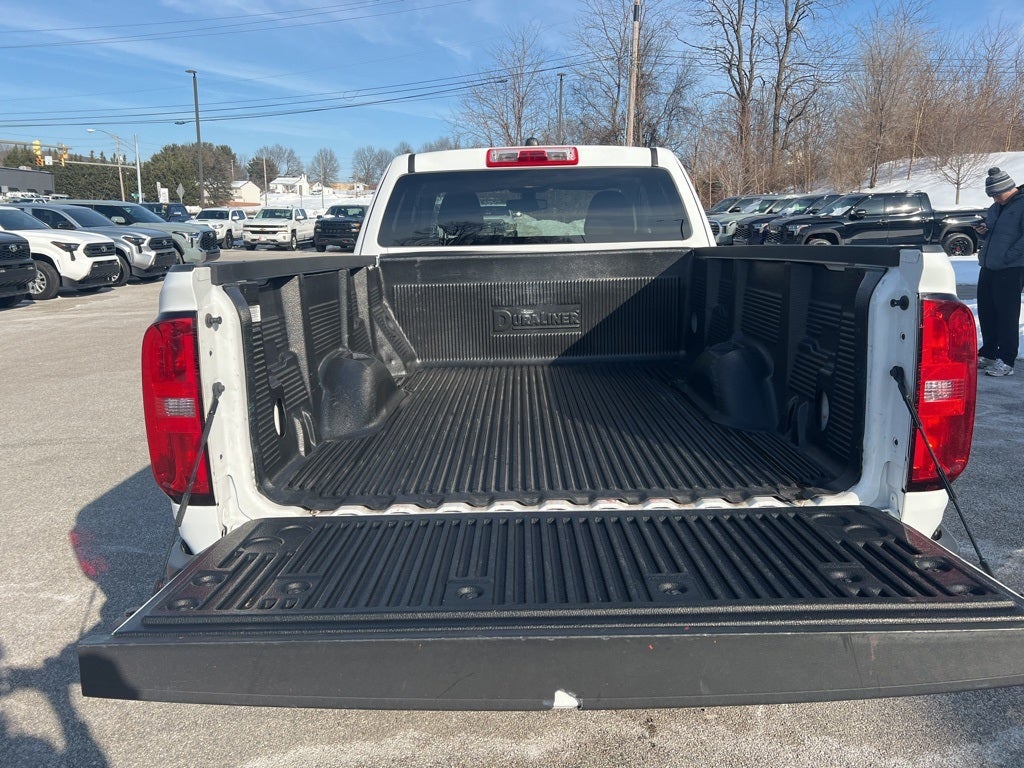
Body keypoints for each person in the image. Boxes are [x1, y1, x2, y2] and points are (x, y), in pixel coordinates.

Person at [975, 167, 1024, 377]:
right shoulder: (996, 208)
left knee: (1006, 314)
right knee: (987, 312)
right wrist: (983, 233)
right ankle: (989, 353)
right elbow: (995, 235)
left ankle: (1006, 359)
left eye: (996, 194)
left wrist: (1008, 256)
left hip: (1011, 268)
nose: (994, 198)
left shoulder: (1021, 205)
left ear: (1007, 188)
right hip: (988, 266)